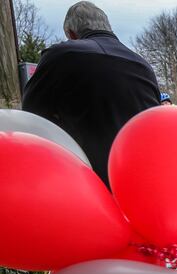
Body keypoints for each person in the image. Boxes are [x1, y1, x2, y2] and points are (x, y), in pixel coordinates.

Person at [22, 1, 160, 187]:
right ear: (108, 28)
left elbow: (31, 118)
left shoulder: (61, 56)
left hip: (87, 183)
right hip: (145, 179)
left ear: (71, 34)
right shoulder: (142, 65)